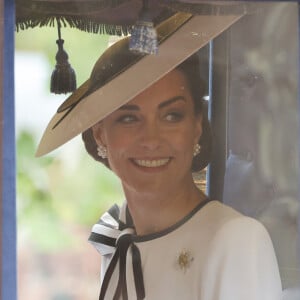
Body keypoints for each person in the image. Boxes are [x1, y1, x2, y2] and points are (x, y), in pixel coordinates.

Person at [37, 13, 282, 300]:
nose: (151, 139)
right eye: (129, 118)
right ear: (100, 133)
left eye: (171, 115)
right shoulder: (117, 244)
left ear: (196, 126)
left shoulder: (235, 240)